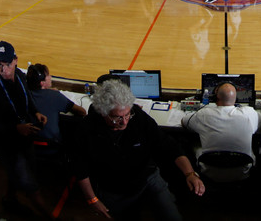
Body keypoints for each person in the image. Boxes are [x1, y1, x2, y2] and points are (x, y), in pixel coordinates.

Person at [71, 79, 204, 220]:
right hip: (113, 189)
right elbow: (80, 168)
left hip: (147, 178)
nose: (125, 121)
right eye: (117, 117)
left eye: (127, 114)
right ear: (103, 113)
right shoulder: (86, 129)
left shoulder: (138, 117)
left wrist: (190, 173)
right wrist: (92, 199)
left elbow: (167, 145)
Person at [0, 41, 51, 216]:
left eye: (7, 64)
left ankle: (9, 199)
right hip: (8, 143)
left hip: (25, 135)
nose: (4, 70)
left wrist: (36, 112)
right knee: (30, 184)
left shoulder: (19, 75)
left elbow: (27, 97)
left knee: (23, 171)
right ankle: (50, 216)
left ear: (16, 60)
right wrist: (15, 128)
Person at [182, 81, 261, 179]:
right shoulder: (249, 113)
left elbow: (184, 122)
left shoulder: (204, 114)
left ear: (215, 97)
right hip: (243, 174)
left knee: (192, 143)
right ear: (236, 99)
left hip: (209, 173)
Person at [25, 62, 86, 145]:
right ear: (42, 83)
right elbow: (82, 112)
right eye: (48, 75)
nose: (51, 77)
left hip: (29, 148)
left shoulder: (23, 95)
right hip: (52, 149)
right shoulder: (54, 96)